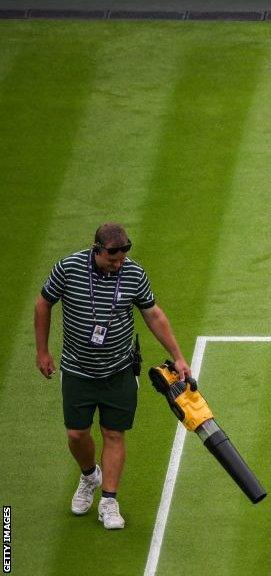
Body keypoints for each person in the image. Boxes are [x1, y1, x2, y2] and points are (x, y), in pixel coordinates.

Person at [34, 223, 191, 529]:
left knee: (114, 433)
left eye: (122, 259)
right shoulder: (67, 268)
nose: (118, 264)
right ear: (97, 250)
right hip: (78, 370)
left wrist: (178, 356)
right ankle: (90, 475)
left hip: (119, 370)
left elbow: (153, 314)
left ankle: (109, 501)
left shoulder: (133, 274)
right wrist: (42, 351)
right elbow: (43, 304)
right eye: (112, 259)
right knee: (77, 434)